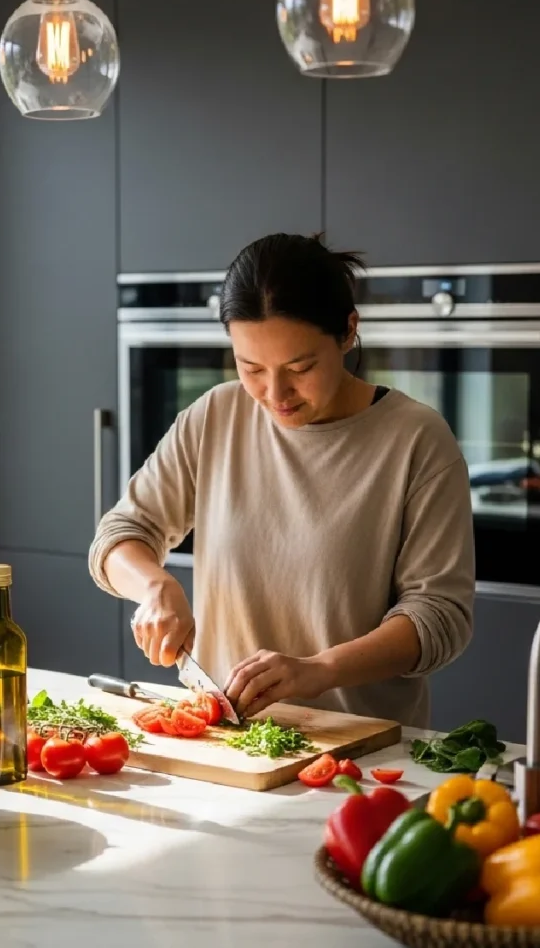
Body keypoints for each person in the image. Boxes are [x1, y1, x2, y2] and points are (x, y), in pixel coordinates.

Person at [88, 233, 476, 728]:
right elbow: (120, 535)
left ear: (348, 332)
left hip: (358, 751)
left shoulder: (417, 439)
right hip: (228, 739)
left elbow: (439, 616)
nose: (275, 394)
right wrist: (154, 586)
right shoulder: (215, 416)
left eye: (301, 367)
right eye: (251, 368)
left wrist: (319, 670)